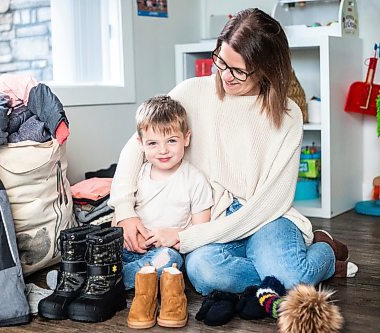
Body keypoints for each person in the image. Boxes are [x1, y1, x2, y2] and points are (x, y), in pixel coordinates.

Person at [108, 8, 349, 296]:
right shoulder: (191, 91)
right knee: (204, 273)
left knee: (292, 278)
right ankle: (274, 270)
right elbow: (136, 146)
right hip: (215, 217)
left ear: (266, 68)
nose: (226, 76)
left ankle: (325, 251)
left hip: (266, 218)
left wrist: (187, 237)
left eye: (239, 70)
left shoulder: (288, 115)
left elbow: (270, 204)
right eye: (221, 62)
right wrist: (124, 212)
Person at [119, 95, 214, 289]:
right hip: (132, 246)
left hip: (165, 250)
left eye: (171, 141)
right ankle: (88, 274)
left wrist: (176, 234)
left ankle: (114, 282)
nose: (163, 150)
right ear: (140, 143)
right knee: (100, 244)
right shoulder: (138, 174)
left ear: (186, 138)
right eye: (153, 143)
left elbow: (202, 230)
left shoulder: (194, 180)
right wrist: (126, 236)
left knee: (170, 260)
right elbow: (120, 215)